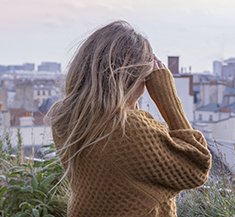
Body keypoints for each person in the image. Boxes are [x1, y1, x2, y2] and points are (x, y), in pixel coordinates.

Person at [47, 20, 212, 216]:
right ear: (135, 78)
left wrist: (129, 97)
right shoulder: (130, 131)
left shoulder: (66, 116)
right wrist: (166, 97)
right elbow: (197, 166)